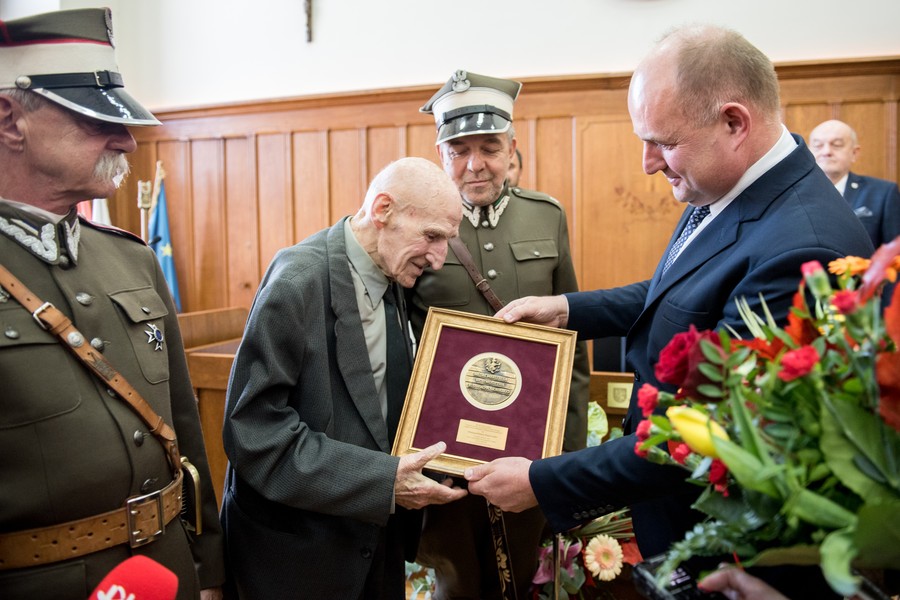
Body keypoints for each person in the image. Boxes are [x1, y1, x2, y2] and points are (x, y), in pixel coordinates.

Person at [462, 25, 874, 598]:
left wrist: (541, 480)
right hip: (674, 516)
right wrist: (568, 309)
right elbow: (685, 290)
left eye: (662, 142)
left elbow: (706, 434)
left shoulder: (802, 248)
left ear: (734, 122)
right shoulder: (734, 183)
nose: (648, 163)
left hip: (729, 552)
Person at [0, 8, 225, 600]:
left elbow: (183, 430)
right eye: (95, 118)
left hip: (167, 571)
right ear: (9, 120)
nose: (127, 139)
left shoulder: (131, 259)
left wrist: (207, 571)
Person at [219, 157, 468, 600]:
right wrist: (383, 481)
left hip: (375, 547)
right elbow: (254, 435)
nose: (438, 259)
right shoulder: (297, 281)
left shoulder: (391, 270)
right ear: (383, 209)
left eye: (447, 240)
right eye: (432, 236)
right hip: (301, 559)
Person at [411, 70, 591, 600]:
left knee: (523, 575)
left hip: (529, 453)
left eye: (489, 148)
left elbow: (572, 341)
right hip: (443, 453)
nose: (475, 164)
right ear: (441, 154)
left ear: (512, 148)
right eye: (459, 150)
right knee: (456, 580)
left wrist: (566, 458)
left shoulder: (546, 216)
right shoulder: (417, 225)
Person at [809, 119, 900, 247]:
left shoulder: (883, 193)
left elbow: (894, 251)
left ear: (854, 153)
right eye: (818, 145)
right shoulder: (794, 193)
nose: (826, 152)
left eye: (837, 145)